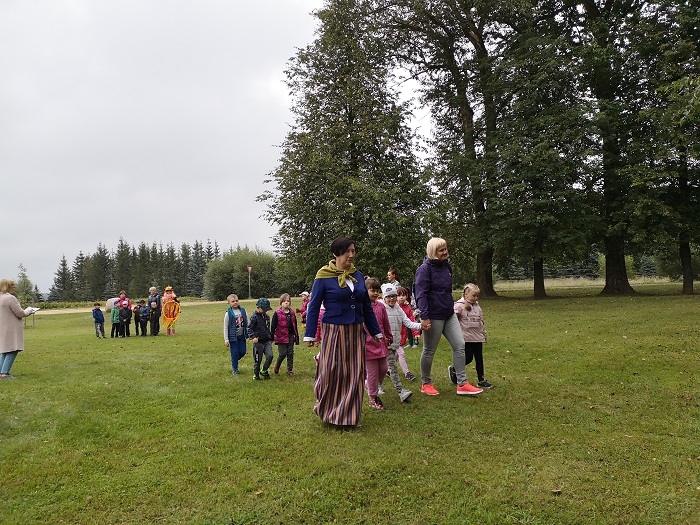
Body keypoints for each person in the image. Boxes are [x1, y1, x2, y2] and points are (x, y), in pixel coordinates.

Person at [304, 236, 383, 428]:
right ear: (336, 253)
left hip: (356, 331)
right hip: (334, 330)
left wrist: (376, 331)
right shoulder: (323, 276)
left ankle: (349, 417)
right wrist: (310, 333)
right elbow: (313, 306)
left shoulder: (358, 275)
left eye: (353, 251)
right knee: (331, 372)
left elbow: (365, 306)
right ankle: (328, 412)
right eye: (347, 251)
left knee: (354, 373)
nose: (351, 255)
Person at [414, 237, 483, 396]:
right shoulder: (424, 270)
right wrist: (424, 316)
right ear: (433, 252)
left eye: (445, 248)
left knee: (460, 345)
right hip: (433, 315)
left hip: (448, 313)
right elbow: (420, 294)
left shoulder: (447, 267)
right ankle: (426, 383)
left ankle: (462, 383)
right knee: (429, 350)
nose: (445, 252)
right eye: (441, 250)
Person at [449, 283, 493, 389]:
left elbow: (480, 321)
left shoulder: (477, 307)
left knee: (479, 358)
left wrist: (484, 334)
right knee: (468, 358)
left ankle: (481, 380)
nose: (476, 298)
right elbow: (452, 319)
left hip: (477, 337)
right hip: (466, 338)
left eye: (477, 296)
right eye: (474, 295)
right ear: (466, 294)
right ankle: (455, 369)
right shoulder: (459, 305)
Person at [381, 283, 420, 401]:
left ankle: (375, 385)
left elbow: (408, 322)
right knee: (390, 368)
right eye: (388, 296)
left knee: (385, 368)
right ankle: (400, 391)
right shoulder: (381, 308)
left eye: (393, 295)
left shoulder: (399, 309)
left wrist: (420, 326)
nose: (391, 298)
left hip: (394, 344)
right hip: (383, 345)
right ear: (384, 297)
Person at [364, 278, 392, 410]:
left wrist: (389, 335)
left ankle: (369, 385)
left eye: (377, 290)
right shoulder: (362, 307)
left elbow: (385, 323)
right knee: (373, 373)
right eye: (372, 290)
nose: (375, 293)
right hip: (368, 345)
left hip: (381, 344)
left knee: (384, 369)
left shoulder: (381, 306)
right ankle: (372, 398)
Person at [0, 279, 36, 379]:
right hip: (11, 327)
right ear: (7, 286)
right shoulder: (10, 298)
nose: (14, 287)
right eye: (12, 285)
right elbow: (20, 313)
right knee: (12, 349)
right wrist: (29, 311)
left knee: (4, 350)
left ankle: (1, 372)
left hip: (2, 327)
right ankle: (5, 373)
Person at [271, 293, 299, 375]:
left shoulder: (292, 313)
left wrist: (296, 336)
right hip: (281, 336)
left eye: (288, 301)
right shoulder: (277, 313)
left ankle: (290, 369)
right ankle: (277, 364)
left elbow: (295, 324)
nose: (286, 302)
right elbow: (273, 325)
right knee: (282, 353)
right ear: (281, 302)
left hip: (290, 336)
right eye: (284, 301)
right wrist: (272, 336)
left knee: (290, 353)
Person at [248, 297, 273, 380]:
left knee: (270, 356)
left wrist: (270, 337)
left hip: (267, 341)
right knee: (258, 360)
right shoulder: (254, 318)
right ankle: (256, 374)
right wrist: (253, 337)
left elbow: (268, 328)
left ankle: (264, 370)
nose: (265, 311)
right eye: (264, 309)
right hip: (258, 342)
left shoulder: (267, 317)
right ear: (258, 307)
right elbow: (249, 328)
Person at [396, 286, 420, 375]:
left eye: (403, 295)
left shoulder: (407, 308)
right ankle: (407, 373)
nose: (401, 297)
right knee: (401, 353)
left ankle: (387, 369)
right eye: (399, 295)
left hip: (402, 334)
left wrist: (416, 332)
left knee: (395, 355)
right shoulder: (393, 307)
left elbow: (411, 320)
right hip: (393, 335)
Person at [223, 294, 248, 375]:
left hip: (242, 336)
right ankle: (235, 369)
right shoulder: (228, 314)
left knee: (243, 352)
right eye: (233, 301)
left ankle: (234, 360)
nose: (235, 302)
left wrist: (250, 333)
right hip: (233, 338)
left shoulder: (243, 311)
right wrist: (226, 339)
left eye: (236, 301)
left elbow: (248, 323)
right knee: (234, 352)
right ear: (229, 303)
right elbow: (225, 327)